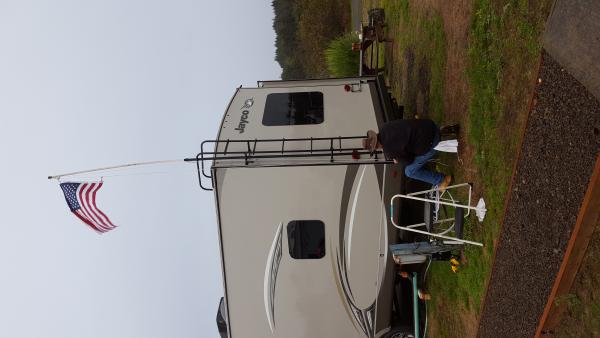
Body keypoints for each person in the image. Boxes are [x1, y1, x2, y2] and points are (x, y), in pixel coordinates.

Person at [362, 119, 459, 190]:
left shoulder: (389, 151)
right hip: (430, 125)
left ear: (376, 147)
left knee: (409, 171)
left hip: (431, 143)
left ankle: (442, 180)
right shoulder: (385, 127)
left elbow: (409, 160)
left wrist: (398, 159)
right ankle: (445, 131)